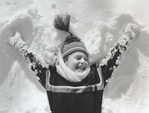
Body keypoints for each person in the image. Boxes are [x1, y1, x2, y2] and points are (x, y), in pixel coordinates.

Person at [8, 14, 140, 113]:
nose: (83, 61)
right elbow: (33, 62)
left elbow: (113, 58)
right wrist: (18, 43)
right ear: (64, 61)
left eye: (85, 58)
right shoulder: (52, 78)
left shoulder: (96, 76)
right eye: (78, 57)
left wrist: (127, 36)